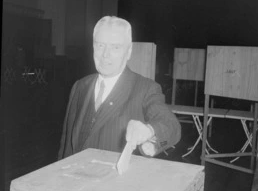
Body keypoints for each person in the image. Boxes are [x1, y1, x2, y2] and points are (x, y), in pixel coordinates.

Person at [58, 16, 181, 160]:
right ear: (93, 47)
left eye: (115, 47)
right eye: (100, 45)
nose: (105, 55)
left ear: (128, 52)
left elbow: (172, 127)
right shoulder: (79, 86)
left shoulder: (145, 89)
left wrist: (149, 130)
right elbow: (66, 144)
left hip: (116, 181)